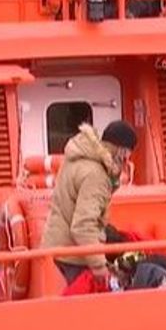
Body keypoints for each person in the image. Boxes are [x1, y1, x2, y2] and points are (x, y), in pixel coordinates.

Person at [42, 120, 138, 287]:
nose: (127, 160)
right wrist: (100, 266)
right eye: (128, 154)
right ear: (122, 150)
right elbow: (83, 226)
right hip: (75, 255)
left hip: (59, 246)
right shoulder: (96, 175)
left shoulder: (77, 159)